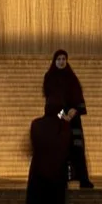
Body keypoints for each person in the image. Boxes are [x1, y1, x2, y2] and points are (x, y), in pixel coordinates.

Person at [25, 105, 77, 204]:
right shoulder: (62, 126)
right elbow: (66, 145)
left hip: (40, 172)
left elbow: (35, 143)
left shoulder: (36, 124)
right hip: (56, 174)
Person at [43, 48, 93, 188]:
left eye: (64, 59)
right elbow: (50, 102)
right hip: (57, 119)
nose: (61, 61)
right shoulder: (49, 77)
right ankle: (59, 180)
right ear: (54, 61)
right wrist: (62, 113)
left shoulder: (72, 77)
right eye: (58, 59)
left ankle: (83, 179)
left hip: (73, 120)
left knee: (77, 148)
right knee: (59, 151)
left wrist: (75, 110)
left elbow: (78, 97)